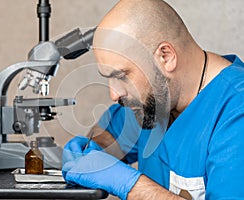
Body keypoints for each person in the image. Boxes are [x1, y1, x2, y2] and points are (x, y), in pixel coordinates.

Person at [62, 0, 244, 199]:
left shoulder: (235, 109)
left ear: (165, 57)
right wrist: (93, 151)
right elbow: (111, 134)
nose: (114, 94)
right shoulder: (152, 100)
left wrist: (130, 185)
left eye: (122, 76)